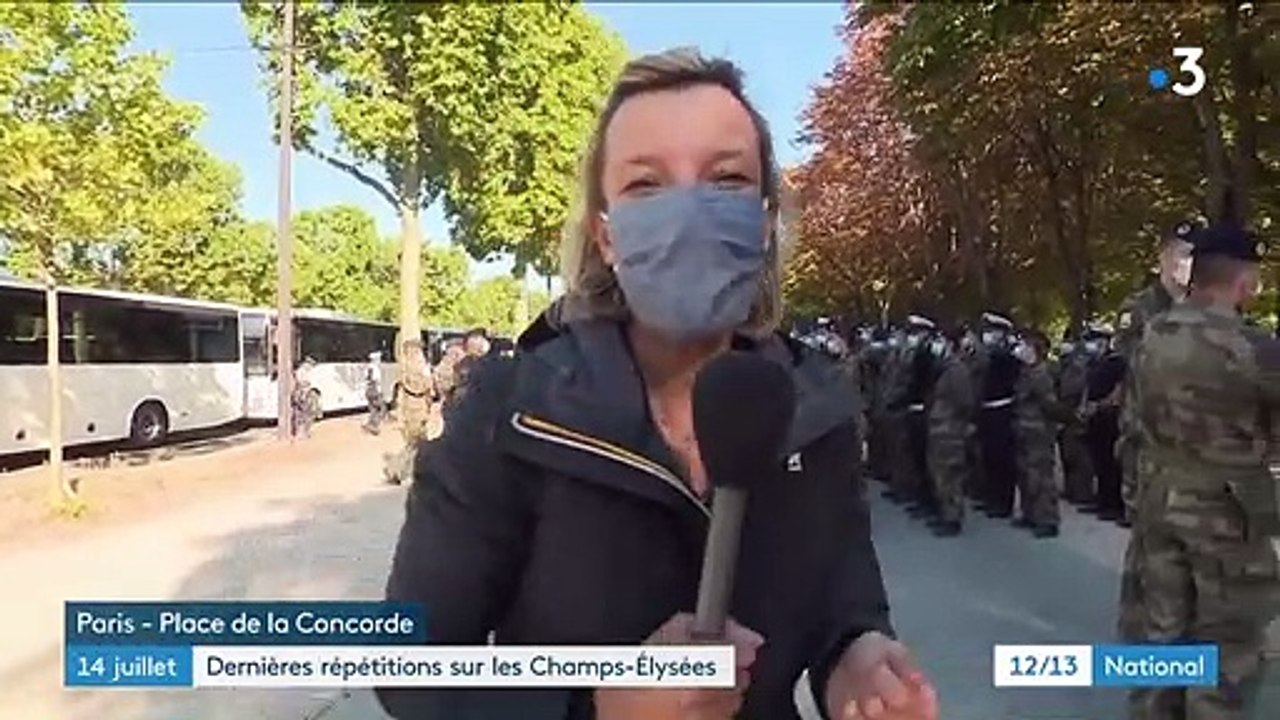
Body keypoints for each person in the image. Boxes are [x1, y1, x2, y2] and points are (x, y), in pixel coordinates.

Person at [377, 48, 937, 720]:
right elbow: (410, 670)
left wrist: (858, 661)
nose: (688, 213)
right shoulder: (510, 413)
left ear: (764, 224)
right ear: (606, 237)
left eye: (726, 179)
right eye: (646, 186)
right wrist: (599, 704)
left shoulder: (815, 406)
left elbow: (846, 603)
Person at [1118, 220, 1279, 720]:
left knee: (1161, 639)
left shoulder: (1150, 336)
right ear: (1245, 281)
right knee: (1226, 652)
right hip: (1226, 519)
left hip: (1159, 505)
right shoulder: (1254, 349)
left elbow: (1134, 423)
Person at [1115, 221, 1196, 525]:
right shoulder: (1139, 307)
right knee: (1148, 531)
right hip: (1147, 434)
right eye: (1182, 254)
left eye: (1194, 256)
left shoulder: (1206, 307)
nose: (1188, 263)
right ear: (1162, 257)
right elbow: (1133, 357)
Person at [1011, 330, 1069, 538]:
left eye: (1027, 346)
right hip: (1024, 428)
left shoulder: (1041, 374)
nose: (1022, 349)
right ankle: (1030, 514)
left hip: (1038, 431)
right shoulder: (1025, 372)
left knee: (1041, 476)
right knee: (1025, 474)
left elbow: (1049, 404)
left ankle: (1047, 519)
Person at [925, 329, 972, 537]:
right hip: (940, 428)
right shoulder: (944, 367)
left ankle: (953, 518)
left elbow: (965, 402)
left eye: (942, 341)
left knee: (949, 476)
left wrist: (957, 425)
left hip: (950, 431)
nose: (938, 345)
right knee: (939, 474)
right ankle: (945, 513)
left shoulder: (957, 370)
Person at [976, 312, 1021, 518]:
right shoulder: (988, 354)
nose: (988, 336)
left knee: (1003, 458)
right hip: (987, 409)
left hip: (1003, 410)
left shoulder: (1008, 356)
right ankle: (991, 497)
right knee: (989, 456)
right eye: (986, 332)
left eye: (992, 332)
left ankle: (1004, 502)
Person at [1081, 324, 1126, 523]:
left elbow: (1120, 389)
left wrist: (1101, 405)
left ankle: (1115, 505)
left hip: (1110, 417)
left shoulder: (1116, 362)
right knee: (1099, 461)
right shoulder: (1094, 363)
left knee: (1111, 463)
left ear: (1105, 342)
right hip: (1095, 418)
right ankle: (1102, 501)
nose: (1090, 345)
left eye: (1095, 341)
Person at [1055, 330, 1095, 506]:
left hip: (1074, 411)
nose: (1066, 345)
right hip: (1064, 412)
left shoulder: (1079, 363)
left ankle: (1082, 492)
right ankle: (1071, 488)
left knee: (1079, 455)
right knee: (1067, 453)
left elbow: (1074, 387)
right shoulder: (1065, 363)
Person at [385, 339, 431, 485]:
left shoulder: (403, 366)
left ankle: (404, 470)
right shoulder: (421, 365)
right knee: (417, 442)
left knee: (415, 442)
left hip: (409, 407)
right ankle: (397, 470)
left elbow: (400, 389)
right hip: (418, 405)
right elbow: (428, 386)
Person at [290, 358, 316, 439]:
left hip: (301, 393)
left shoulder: (301, 371)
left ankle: (301, 432)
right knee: (303, 413)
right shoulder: (302, 371)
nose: (310, 367)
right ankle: (301, 433)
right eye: (310, 365)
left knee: (302, 413)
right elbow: (303, 383)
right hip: (303, 393)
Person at [363, 350, 387, 435]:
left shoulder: (367, 368)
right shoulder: (376, 369)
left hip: (368, 390)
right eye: (379, 359)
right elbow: (376, 381)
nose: (380, 360)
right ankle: (374, 425)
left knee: (373, 409)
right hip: (374, 390)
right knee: (382, 408)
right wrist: (380, 392)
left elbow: (366, 379)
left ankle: (370, 425)